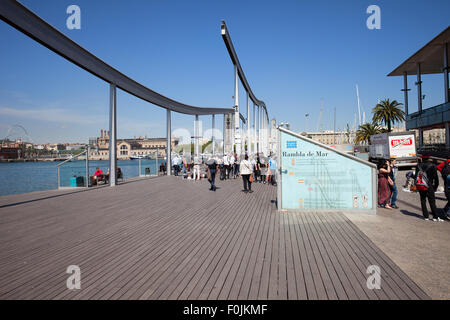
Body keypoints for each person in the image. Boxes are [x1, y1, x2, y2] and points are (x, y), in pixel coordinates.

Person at [414, 156, 442, 221]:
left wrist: (417, 185)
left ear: (422, 158)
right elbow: (436, 178)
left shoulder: (418, 165)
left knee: (423, 200)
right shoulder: (432, 165)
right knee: (432, 201)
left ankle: (426, 216)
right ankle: (435, 216)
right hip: (429, 185)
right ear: (428, 158)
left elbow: (416, 176)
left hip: (421, 184)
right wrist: (435, 187)